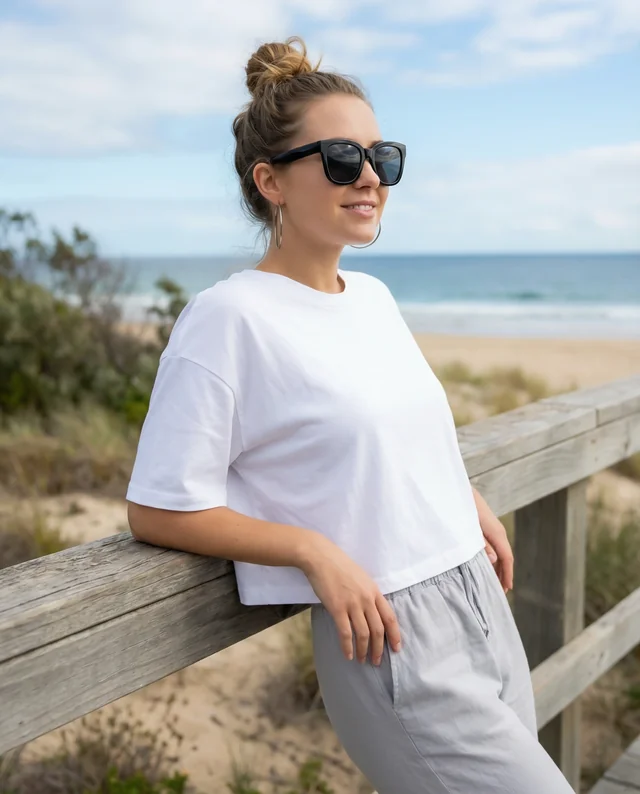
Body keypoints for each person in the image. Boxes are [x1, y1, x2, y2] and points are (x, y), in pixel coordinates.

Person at [126, 36, 574, 794]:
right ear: (270, 179)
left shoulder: (373, 298)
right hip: (392, 636)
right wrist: (312, 551)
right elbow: (159, 506)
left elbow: (397, 432)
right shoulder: (228, 318)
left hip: (476, 597)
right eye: (340, 157)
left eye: (382, 157)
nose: (369, 177)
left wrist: (461, 500)